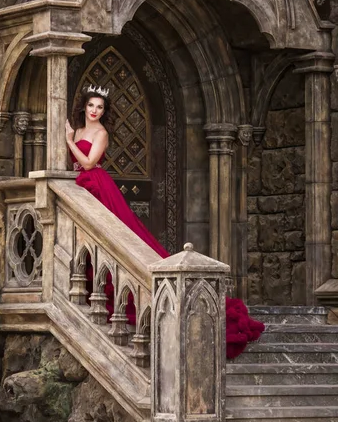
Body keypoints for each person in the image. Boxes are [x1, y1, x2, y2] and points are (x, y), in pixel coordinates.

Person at [66, 85, 264, 358]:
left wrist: (67, 141)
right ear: (84, 107)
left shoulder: (100, 133)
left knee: (124, 235)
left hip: (97, 185)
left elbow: (88, 163)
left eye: (100, 107)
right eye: (91, 106)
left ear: (104, 111)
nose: (95, 111)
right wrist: (70, 137)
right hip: (79, 187)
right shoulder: (77, 130)